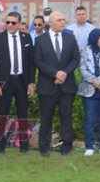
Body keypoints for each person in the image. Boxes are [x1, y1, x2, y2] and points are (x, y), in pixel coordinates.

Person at [34, 11, 80, 156]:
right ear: (51, 23)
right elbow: (38, 61)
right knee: (46, 117)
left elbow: (76, 59)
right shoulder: (40, 40)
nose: (63, 22)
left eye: (64, 20)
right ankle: (44, 146)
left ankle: (66, 145)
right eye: (59, 20)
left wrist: (64, 73)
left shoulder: (70, 38)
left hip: (67, 85)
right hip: (47, 86)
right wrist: (55, 73)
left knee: (66, 116)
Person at [0, 12, 34, 154]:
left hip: (21, 81)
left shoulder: (26, 38)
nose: (10, 25)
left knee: (23, 114)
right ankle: (0, 146)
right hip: (5, 82)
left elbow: (31, 62)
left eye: (13, 23)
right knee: (2, 114)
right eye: (7, 22)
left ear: (19, 24)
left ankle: (23, 146)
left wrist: (31, 82)